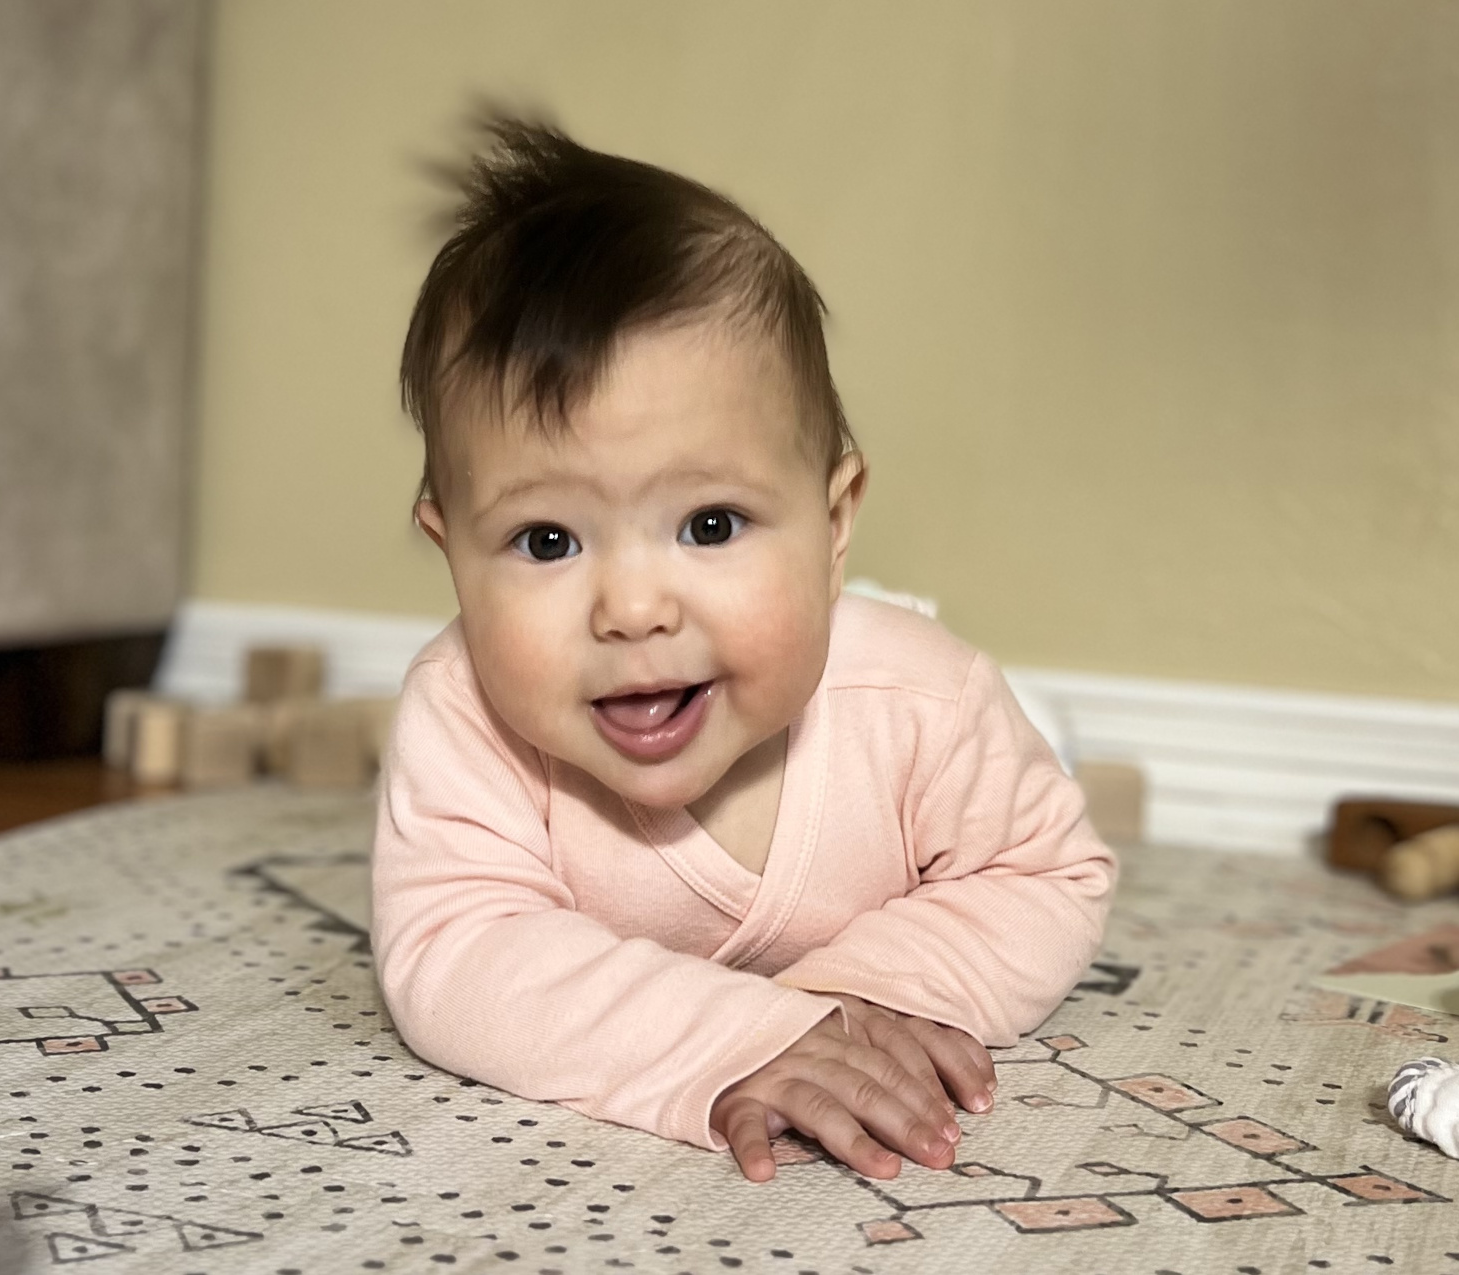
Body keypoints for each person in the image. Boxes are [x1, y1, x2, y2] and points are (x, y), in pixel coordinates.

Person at [372, 115, 1115, 1183]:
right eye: (546, 541)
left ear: (833, 522)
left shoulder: (920, 699)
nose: (631, 611)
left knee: (1010, 787)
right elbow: (454, 951)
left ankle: (1058, 728)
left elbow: (1044, 870)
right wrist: (734, 1037)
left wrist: (863, 994)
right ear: (451, 551)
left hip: (898, 699)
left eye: (710, 526)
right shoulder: (464, 712)